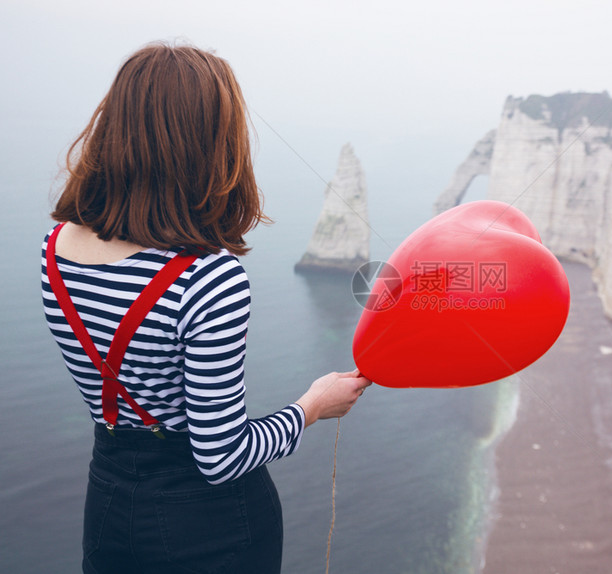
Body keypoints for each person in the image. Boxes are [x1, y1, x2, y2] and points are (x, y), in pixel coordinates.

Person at [41, 41, 371, 574]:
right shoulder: (208, 276)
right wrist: (313, 406)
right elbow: (221, 458)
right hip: (210, 530)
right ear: (213, 143)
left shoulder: (55, 248)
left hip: (107, 507)